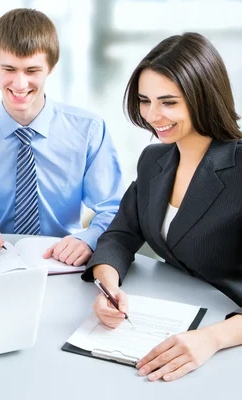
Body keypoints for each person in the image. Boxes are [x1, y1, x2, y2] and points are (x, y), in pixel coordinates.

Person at [82, 32, 242, 382]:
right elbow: (121, 234)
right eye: (144, 100)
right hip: (171, 323)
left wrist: (212, 339)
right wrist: (108, 287)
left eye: (168, 102)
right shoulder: (154, 159)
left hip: (227, 339)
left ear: (203, 98)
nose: (153, 115)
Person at [0, 8, 123, 266]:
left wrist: (90, 239)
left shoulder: (89, 130)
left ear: (50, 68)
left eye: (32, 71)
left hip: (67, 261)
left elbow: (114, 209)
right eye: (9, 69)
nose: (19, 84)